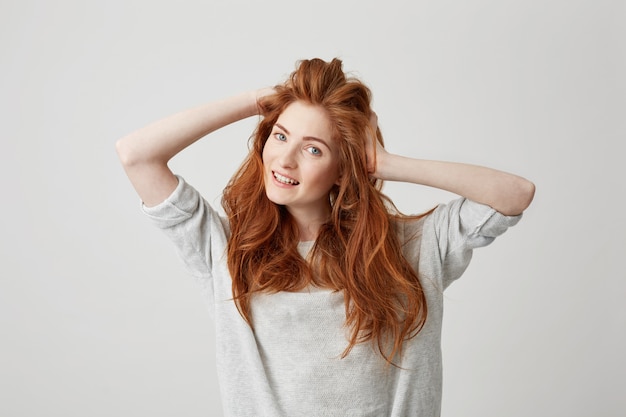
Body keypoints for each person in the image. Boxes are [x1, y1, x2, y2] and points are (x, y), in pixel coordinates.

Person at [116, 57, 535, 417]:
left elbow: (514, 195)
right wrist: (258, 101)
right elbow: (137, 155)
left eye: (313, 149)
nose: (284, 158)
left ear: (343, 167)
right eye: (280, 136)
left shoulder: (409, 248)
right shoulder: (227, 251)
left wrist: (384, 163)